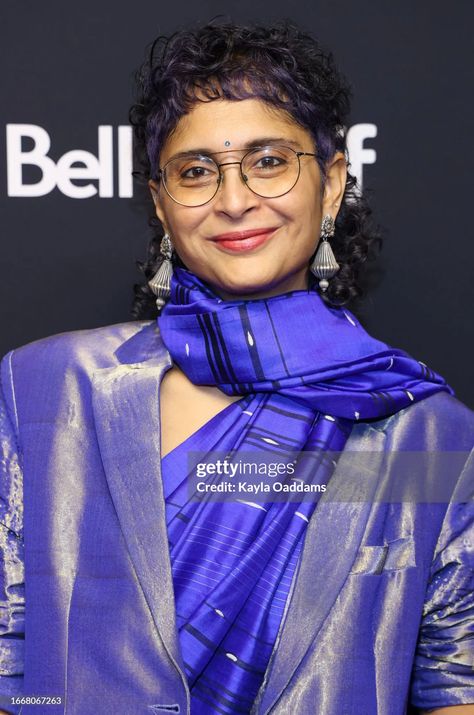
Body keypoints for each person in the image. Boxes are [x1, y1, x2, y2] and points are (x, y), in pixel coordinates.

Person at [0, 18, 473, 715]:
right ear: (160, 203)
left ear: (333, 181)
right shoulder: (47, 388)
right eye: (195, 171)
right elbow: (10, 659)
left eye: (269, 160)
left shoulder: (422, 434)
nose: (233, 199)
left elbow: (455, 683)